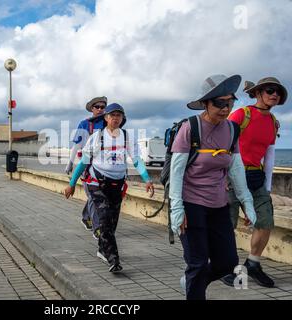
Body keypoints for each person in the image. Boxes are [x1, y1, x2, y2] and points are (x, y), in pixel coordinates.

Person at [169, 74, 257, 300]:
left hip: (219, 204)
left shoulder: (232, 130)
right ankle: (194, 285)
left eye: (230, 102)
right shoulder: (190, 128)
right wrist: (177, 209)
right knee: (197, 263)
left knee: (228, 262)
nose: (226, 108)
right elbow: (177, 172)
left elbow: (236, 168)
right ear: (206, 103)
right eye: (220, 103)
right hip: (191, 204)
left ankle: (192, 283)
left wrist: (246, 201)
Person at [64, 103, 154, 272]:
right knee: (104, 217)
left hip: (117, 186)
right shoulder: (97, 137)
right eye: (112, 115)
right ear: (105, 118)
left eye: (119, 115)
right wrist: (71, 185)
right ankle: (113, 259)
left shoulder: (127, 137)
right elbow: (83, 162)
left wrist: (147, 179)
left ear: (123, 118)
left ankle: (102, 250)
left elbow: (136, 160)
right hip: (96, 183)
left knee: (111, 223)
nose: (115, 118)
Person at [222, 77, 288, 288]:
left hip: (256, 178)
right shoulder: (242, 114)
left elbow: (269, 156)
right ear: (258, 92)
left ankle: (253, 263)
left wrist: (267, 189)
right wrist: (221, 176)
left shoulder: (273, 121)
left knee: (265, 221)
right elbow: (224, 144)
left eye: (278, 92)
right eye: (270, 90)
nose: (274, 94)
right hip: (232, 176)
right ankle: (224, 267)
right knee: (226, 225)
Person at [65, 97, 107, 238]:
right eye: (97, 106)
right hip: (87, 165)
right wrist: (70, 163)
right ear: (92, 108)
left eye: (103, 106)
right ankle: (98, 229)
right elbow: (77, 145)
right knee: (93, 196)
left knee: (96, 197)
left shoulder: (108, 123)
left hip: (103, 166)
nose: (100, 109)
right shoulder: (84, 124)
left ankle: (85, 217)